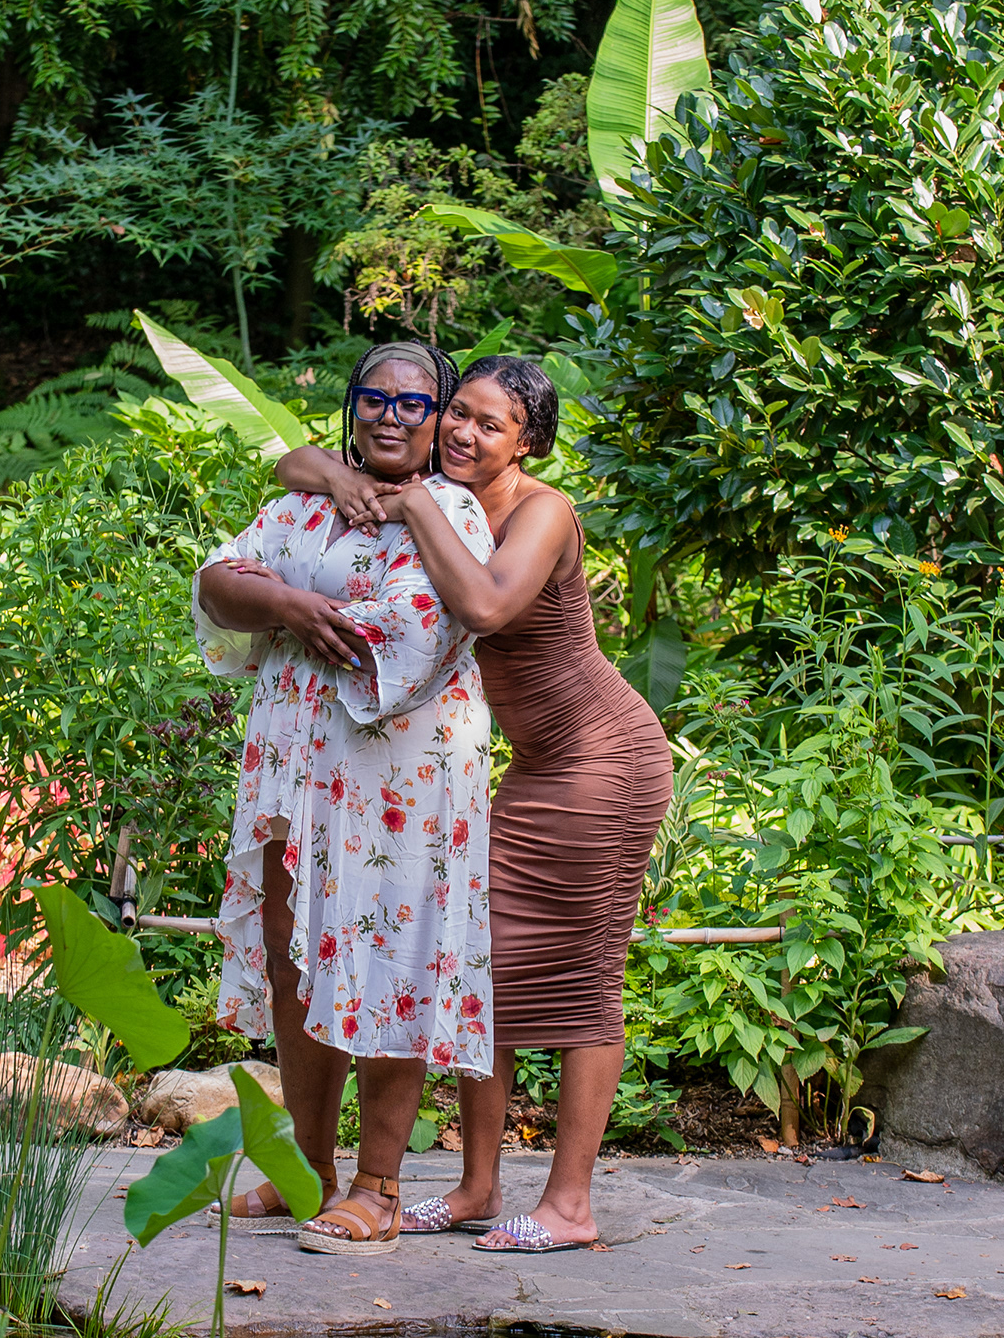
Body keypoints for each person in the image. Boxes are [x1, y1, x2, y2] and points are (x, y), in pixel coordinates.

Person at [274, 355, 673, 1252]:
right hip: (536, 765)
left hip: (604, 761)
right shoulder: (447, 495)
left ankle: (570, 1205)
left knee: (583, 981)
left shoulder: (540, 511)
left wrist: (412, 502)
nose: (462, 431)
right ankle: (478, 1186)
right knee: (472, 964)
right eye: (457, 412)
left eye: (491, 425)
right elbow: (294, 462)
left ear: (527, 444)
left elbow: (488, 606)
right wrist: (342, 476)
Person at [194, 344, 496, 1255]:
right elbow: (217, 582)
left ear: (440, 417)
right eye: (374, 398)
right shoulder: (307, 501)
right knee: (298, 958)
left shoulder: (450, 512)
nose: (391, 416)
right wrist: (288, 605)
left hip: (398, 781)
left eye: (414, 403)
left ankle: (380, 1187)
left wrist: (287, 599)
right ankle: (309, 1169)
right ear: (352, 406)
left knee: (391, 957)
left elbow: (404, 635)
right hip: (296, 773)